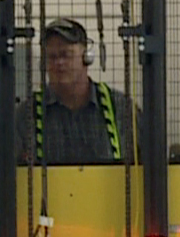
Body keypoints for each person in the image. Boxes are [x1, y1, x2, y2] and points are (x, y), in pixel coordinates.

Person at [16, 18, 136, 166]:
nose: (59, 63)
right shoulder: (25, 115)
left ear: (87, 57)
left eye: (66, 55)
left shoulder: (121, 108)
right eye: (52, 57)